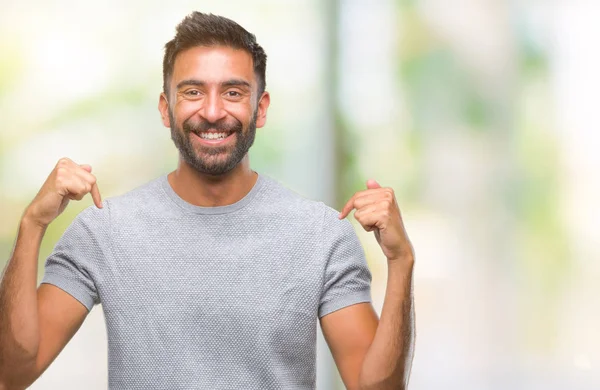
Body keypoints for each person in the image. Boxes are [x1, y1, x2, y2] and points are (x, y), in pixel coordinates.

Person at [0, 12, 415, 390]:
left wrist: (401, 263)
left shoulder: (321, 235)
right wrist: (31, 226)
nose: (213, 111)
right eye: (193, 91)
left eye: (233, 92)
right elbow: (12, 373)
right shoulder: (104, 231)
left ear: (260, 107)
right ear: (166, 108)